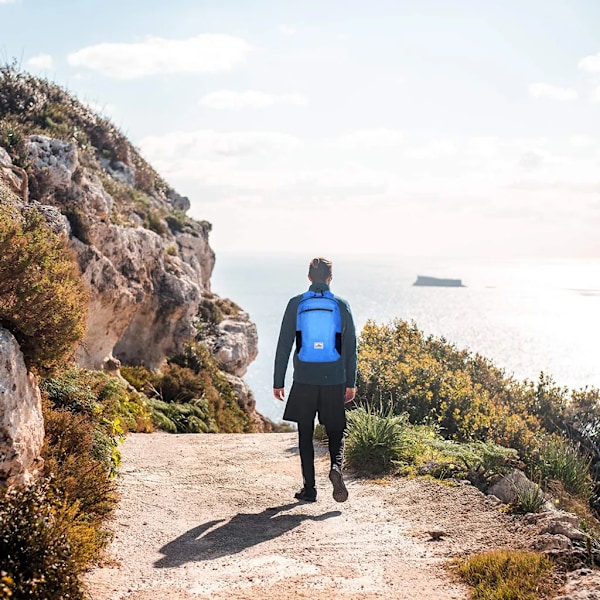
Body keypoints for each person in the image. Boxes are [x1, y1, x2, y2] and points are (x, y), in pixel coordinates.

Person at [273, 257, 357, 503]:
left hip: (304, 379)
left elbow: (284, 345)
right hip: (334, 379)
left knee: (305, 434)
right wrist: (350, 382)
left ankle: (309, 489)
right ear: (330, 278)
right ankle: (336, 468)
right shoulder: (341, 305)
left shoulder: (296, 304)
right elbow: (351, 348)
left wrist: (279, 381)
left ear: (309, 277)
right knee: (336, 431)